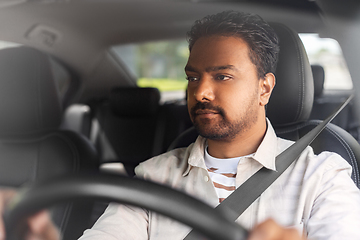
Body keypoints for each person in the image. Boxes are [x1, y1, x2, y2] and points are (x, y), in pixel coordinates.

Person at [1, 10, 360, 240]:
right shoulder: (152, 177)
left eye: (222, 76)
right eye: (192, 78)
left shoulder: (322, 175)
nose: (200, 91)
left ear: (264, 87)